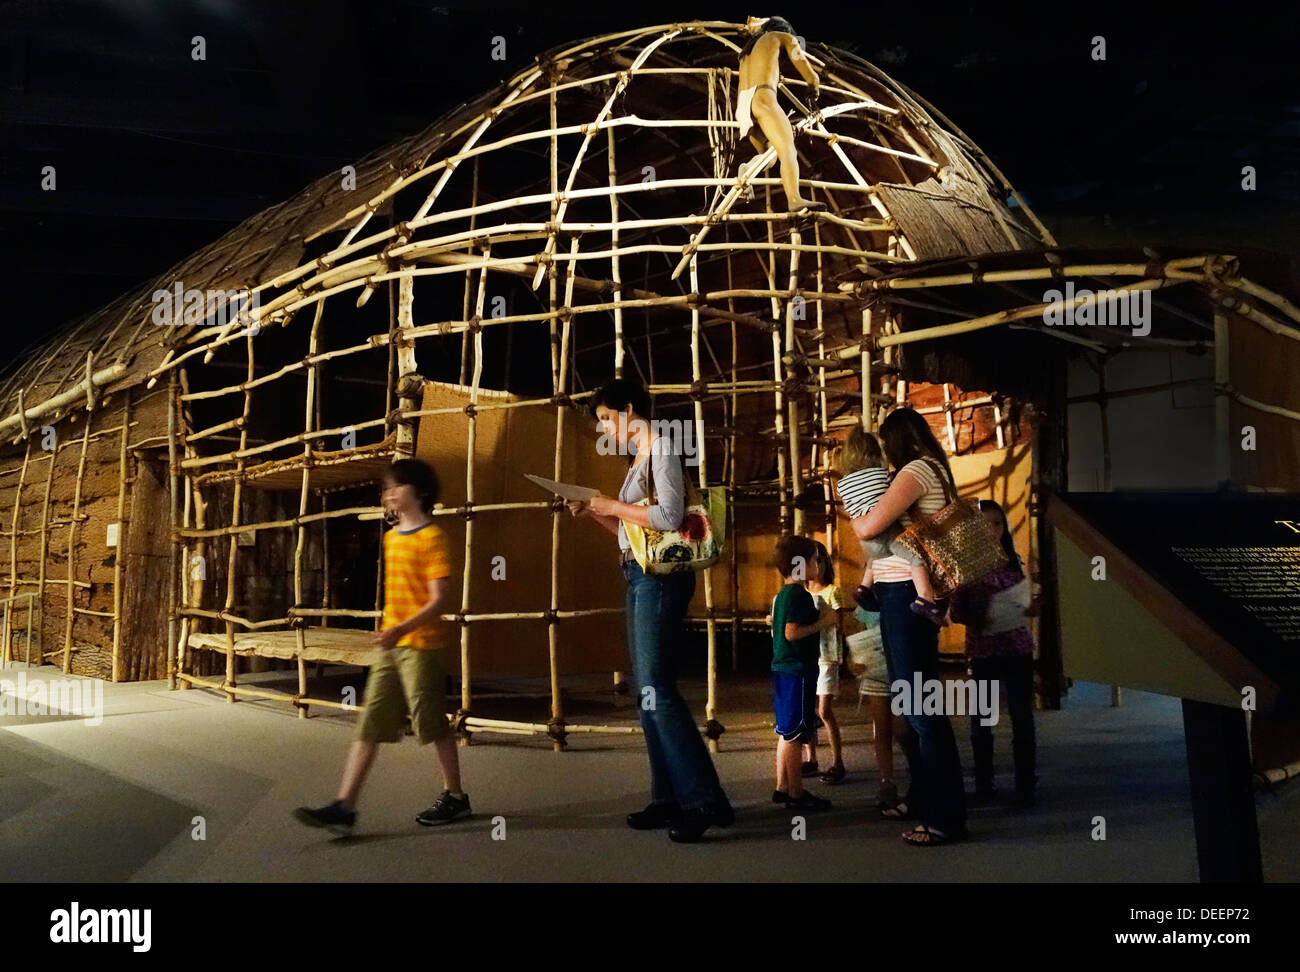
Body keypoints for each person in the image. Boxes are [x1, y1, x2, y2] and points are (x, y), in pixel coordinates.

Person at [564, 378, 733, 843]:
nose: (604, 428)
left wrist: (611, 503)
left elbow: (670, 518)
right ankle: (668, 798)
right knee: (647, 693)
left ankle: (704, 800)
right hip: (639, 572)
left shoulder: (661, 446)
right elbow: (631, 534)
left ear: (629, 408)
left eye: (605, 418)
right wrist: (594, 511)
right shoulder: (639, 457)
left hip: (660, 580)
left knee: (658, 687)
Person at [294, 459, 469, 834]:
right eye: (386, 487)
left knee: (430, 722)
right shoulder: (391, 539)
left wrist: (401, 628)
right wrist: (391, 631)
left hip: (421, 645)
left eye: (397, 486)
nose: (389, 493)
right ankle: (345, 805)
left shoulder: (433, 538)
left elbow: (439, 600)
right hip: (391, 645)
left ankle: (455, 796)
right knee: (371, 719)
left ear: (419, 492)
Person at [848, 408, 967, 846]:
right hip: (903, 596)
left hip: (906, 599)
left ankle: (945, 818)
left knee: (921, 712)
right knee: (916, 706)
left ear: (896, 439)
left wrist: (858, 517)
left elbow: (870, 524)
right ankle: (924, 799)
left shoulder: (915, 471)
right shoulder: (934, 468)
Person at [951, 499, 1038, 809]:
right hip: (984, 651)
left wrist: (1031, 605)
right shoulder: (967, 566)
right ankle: (984, 783)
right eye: (985, 523)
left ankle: (1026, 784)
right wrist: (980, 614)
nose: (992, 530)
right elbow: (957, 612)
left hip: (1017, 648)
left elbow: (1026, 604)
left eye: (998, 523)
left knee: (1022, 718)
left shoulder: (1013, 562)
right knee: (982, 721)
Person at [834, 424, 945, 624]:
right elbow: (891, 495)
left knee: (873, 558)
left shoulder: (842, 484)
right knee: (916, 558)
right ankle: (925, 598)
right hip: (888, 535)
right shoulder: (883, 474)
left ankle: (864, 587)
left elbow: (850, 508)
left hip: (867, 545)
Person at [769, 534, 835, 810]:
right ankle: (796, 794)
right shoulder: (799, 595)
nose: (818, 565)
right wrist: (825, 622)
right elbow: (792, 632)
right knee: (795, 734)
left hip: (783, 668)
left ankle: (783, 787)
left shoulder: (784, 594)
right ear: (800, 564)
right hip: (798, 669)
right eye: (815, 560)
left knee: (786, 731)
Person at [736, 16, 827, 212]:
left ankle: (746, 171)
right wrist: (814, 85)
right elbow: (805, 67)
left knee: (770, 155)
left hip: (744, 106)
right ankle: (794, 199)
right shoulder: (783, 36)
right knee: (788, 151)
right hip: (764, 97)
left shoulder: (746, 53)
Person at [844, 604, 907, 810]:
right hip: (875, 672)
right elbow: (856, 639)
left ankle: (919, 775)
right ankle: (886, 782)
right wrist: (852, 660)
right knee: (881, 730)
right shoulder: (866, 606)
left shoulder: (903, 595)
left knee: (902, 730)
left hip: (901, 671)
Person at [804, 540, 846, 784]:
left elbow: (839, 624)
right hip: (809, 655)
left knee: (824, 710)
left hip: (827, 656)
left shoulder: (832, 591)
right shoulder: (803, 594)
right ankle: (812, 758)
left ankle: (838, 761)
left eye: (818, 561)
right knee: (809, 709)